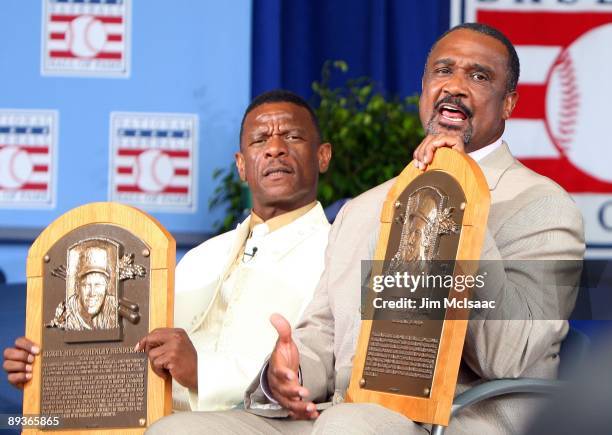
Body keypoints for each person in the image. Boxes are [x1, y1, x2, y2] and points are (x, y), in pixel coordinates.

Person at [146, 23, 585, 434]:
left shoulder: (543, 206)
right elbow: (323, 334)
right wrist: (289, 372)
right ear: (425, 90)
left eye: (479, 76)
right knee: (180, 428)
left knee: (351, 425)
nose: (454, 85)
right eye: (443, 71)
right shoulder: (365, 208)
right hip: (346, 411)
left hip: (458, 415)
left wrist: (458, 198)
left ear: (509, 103)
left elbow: (515, 359)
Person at [2, 89, 333, 413]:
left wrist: (202, 372)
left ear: (323, 156)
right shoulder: (199, 258)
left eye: (292, 137)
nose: (275, 148)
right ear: (241, 165)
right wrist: (47, 375)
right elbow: (126, 356)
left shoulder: (341, 251)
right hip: (151, 417)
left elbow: (343, 364)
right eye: (260, 140)